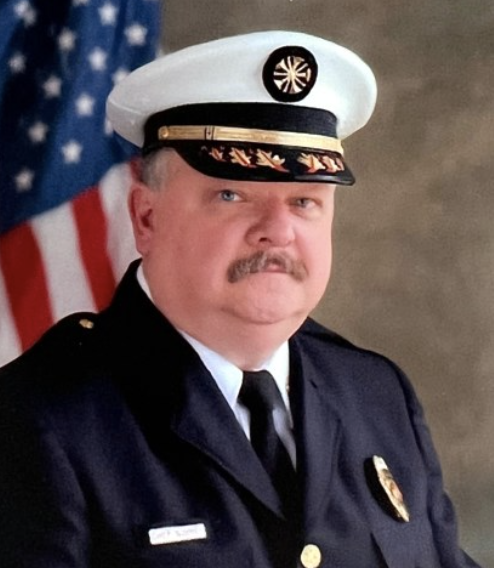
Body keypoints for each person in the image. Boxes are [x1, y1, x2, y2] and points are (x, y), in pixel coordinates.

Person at [0, 30, 481, 568]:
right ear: (146, 218)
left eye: (304, 201)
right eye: (231, 194)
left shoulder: (376, 396)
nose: (278, 230)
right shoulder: (36, 421)